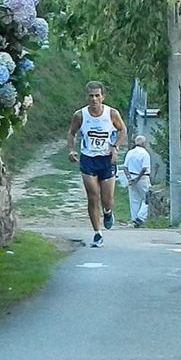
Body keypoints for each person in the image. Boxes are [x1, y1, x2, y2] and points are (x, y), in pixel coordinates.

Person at [67, 81, 127, 248]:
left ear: (103, 97)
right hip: (88, 159)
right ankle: (97, 233)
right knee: (93, 197)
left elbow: (123, 130)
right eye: (91, 96)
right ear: (86, 97)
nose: (94, 99)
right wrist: (72, 150)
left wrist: (115, 147)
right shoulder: (80, 115)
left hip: (106, 160)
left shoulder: (111, 113)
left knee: (107, 200)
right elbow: (72, 133)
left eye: (97, 96)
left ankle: (107, 212)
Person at [122, 135, 151, 227]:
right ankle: (141, 217)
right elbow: (144, 168)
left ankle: (134, 219)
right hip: (142, 178)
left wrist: (129, 178)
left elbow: (125, 167)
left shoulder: (130, 152)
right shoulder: (145, 153)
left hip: (131, 176)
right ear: (143, 143)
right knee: (147, 198)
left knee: (134, 199)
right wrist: (137, 179)